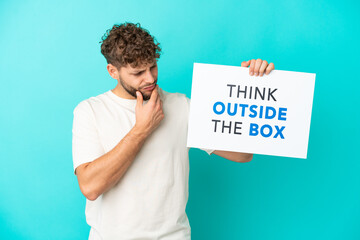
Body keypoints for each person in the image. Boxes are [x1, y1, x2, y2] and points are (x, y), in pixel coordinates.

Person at [72, 22, 275, 240]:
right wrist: (141, 130)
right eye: (138, 72)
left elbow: (243, 154)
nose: (149, 78)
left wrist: (249, 87)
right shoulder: (90, 111)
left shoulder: (182, 106)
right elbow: (90, 186)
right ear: (113, 71)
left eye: (152, 67)